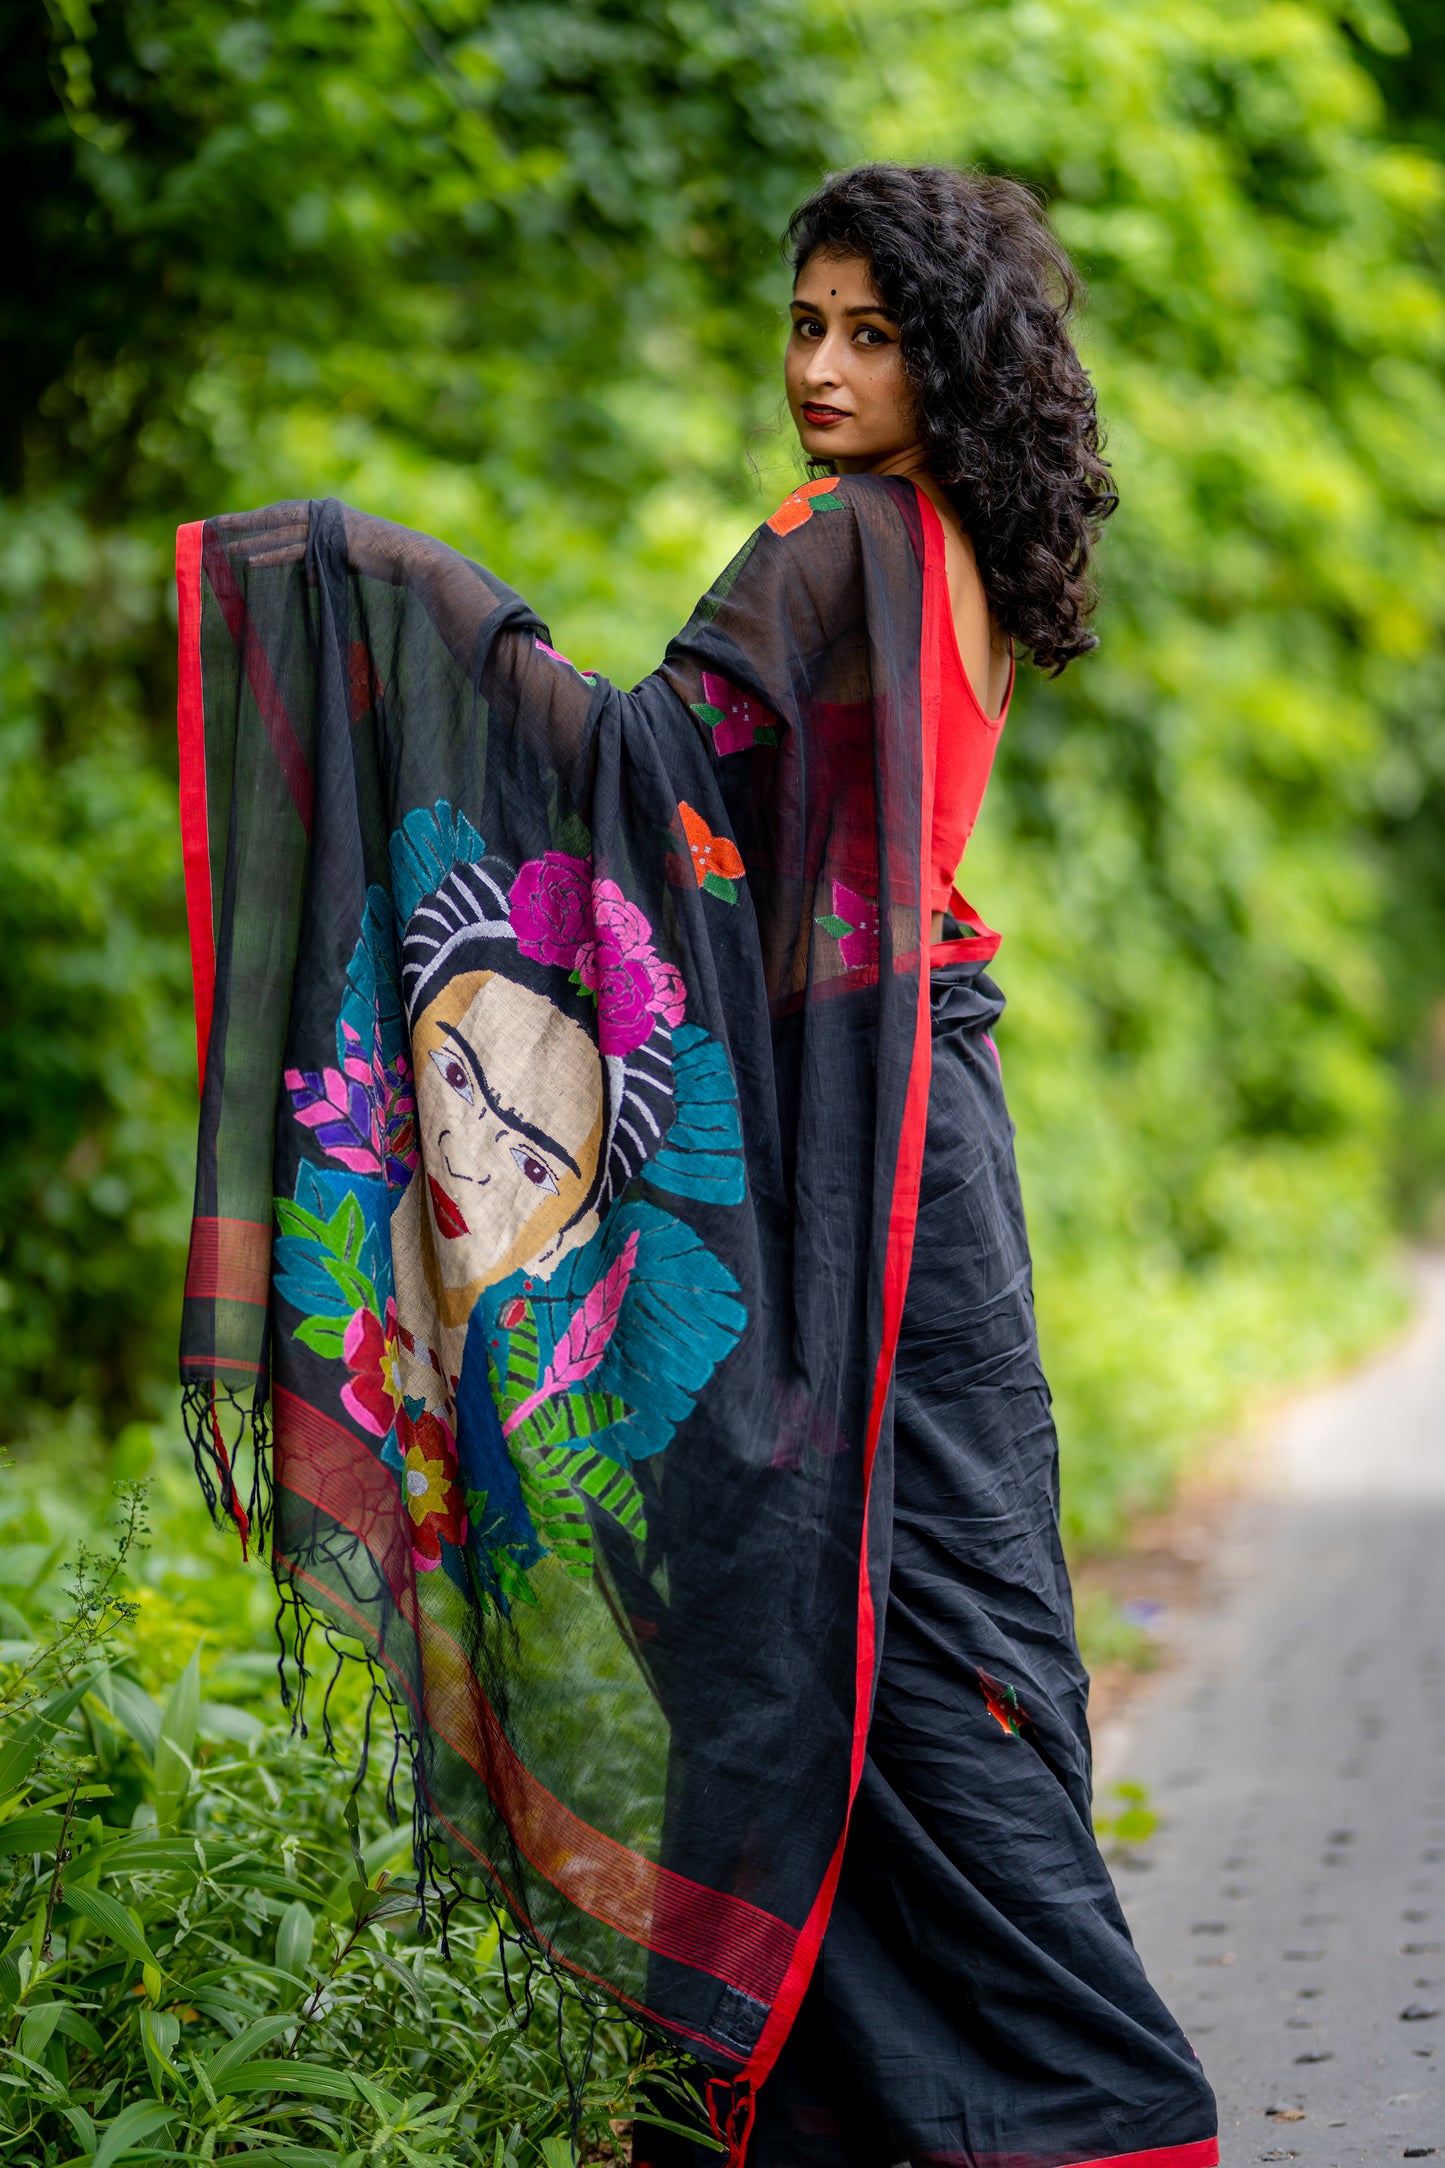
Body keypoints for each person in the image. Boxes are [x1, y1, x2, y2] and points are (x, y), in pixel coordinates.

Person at [178, 165, 1218, 2168]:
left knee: (866, 1598)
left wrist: (397, 595)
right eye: (804, 326)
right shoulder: (963, 550)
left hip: (868, 1145)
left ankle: (1090, 2101)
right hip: (935, 1117)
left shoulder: (843, 544)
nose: (821, 369)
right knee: (940, 1598)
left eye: (872, 331)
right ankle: (894, 2104)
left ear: (955, 353)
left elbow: (636, 766)